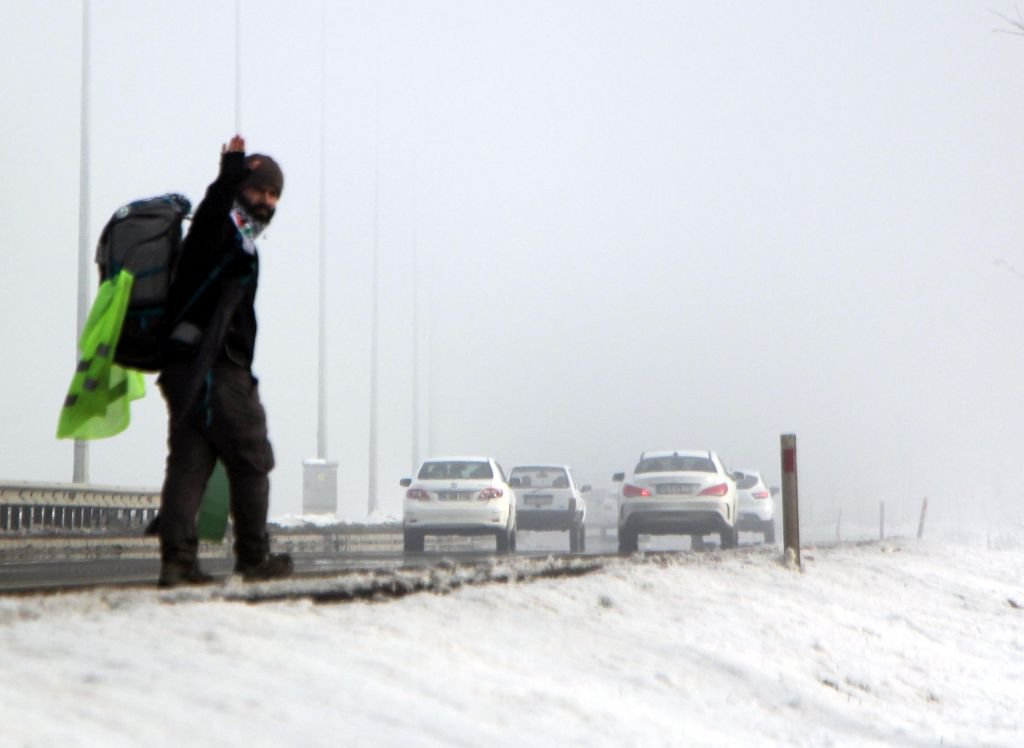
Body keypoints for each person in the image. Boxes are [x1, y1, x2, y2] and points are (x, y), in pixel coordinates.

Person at [155, 134, 293, 587]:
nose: (267, 201)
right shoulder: (218, 229)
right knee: (252, 456)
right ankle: (253, 559)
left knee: (191, 461)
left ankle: (178, 563)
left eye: (274, 194)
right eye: (260, 190)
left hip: (188, 367)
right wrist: (232, 167)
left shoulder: (242, 240)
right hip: (215, 367)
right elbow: (215, 205)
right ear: (241, 189)